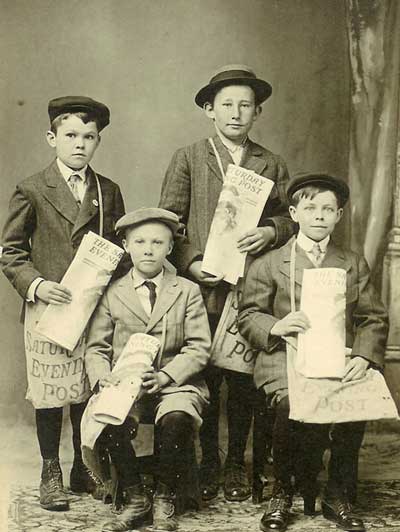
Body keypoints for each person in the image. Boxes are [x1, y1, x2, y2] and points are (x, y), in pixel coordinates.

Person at [159, 64, 295, 501]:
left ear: (257, 112)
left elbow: (291, 217)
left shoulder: (269, 162)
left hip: (248, 288)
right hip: (203, 287)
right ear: (208, 110)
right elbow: (170, 222)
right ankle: (209, 460)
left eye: (245, 105)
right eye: (226, 105)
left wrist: (271, 231)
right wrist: (191, 262)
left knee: (241, 379)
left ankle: (237, 462)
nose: (236, 113)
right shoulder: (189, 157)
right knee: (206, 374)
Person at [238, 173, 388, 532]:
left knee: (356, 401)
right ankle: (282, 491)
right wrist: (276, 325)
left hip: (339, 355)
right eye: (310, 208)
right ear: (294, 213)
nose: (319, 215)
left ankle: (338, 494)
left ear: (338, 215)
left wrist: (363, 357)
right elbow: (248, 315)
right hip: (284, 355)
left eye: (328, 209)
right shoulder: (271, 262)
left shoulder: (351, 262)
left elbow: (373, 317)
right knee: (292, 401)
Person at [0, 96, 127, 511]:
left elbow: (120, 250)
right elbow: (10, 251)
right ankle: (50, 469)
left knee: (87, 389)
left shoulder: (107, 191)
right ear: (52, 138)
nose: (80, 144)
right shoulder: (33, 188)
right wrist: (36, 285)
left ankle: (82, 467)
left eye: (89, 137)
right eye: (71, 135)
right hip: (49, 307)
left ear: (98, 143)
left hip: (92, 307)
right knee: (52, 392)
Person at [84, 207, 211, 532]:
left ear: (170, 248)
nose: (148, 249)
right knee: (108, 415)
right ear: (126, 245)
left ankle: (166, 496)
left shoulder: (186, 290)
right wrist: (104, 377)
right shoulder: (113, 293)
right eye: (140, 241)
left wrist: (167, 376)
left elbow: (199, 347)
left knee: (176, 417)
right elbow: (97, 347)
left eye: (158, 242)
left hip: (176, 383)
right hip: (127, 386)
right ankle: (136, 495)